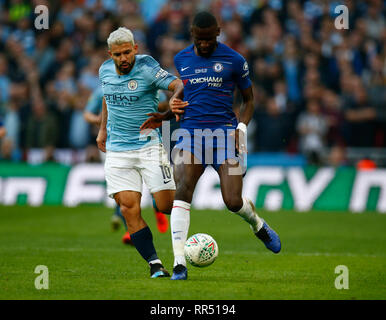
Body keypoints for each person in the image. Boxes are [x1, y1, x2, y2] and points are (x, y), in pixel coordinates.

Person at [141, 11, 281, 280]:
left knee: (232, 201)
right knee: (181, 190)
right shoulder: (181, 58)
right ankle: (179, 263)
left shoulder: (235, 60)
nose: (204, 44)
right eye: (199, 39)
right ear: (192, 34)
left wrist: (241, 128)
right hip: (191, 135)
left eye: (208, 39)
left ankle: (258, 224)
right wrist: (166, 114)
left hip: (224, 137)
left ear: (217, 32)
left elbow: (249, 100)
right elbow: (184, 95)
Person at [96, 27, 184, 278]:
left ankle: (167, 208)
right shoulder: (104, 70)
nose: (123, 59)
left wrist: (176, 97)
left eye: (127, 52)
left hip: (148, 147)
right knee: (128, 208)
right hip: (117, 151)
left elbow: (176, 83)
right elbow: (107, 97)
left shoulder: (146, 67)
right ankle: (155, 264)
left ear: (135, 48)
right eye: (117, 55)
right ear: (109, 54)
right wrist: (103, 130)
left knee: (166, 206)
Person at [84, 87, 169, 245]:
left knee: (152, 182)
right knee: (124, 188)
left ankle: (157, 208)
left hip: (146, 141)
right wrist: (101, 120)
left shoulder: (147, 84)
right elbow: (87, 114)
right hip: (115, 144)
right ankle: (129, 229)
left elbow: (164, 104)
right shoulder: (103, 89)